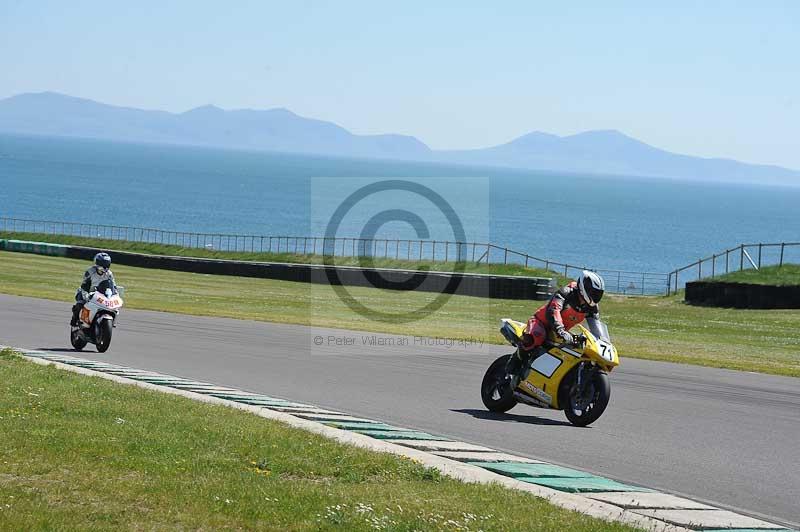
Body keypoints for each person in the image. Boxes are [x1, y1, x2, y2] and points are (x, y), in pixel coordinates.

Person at [507, 270, 605, 382]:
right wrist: (561, 330)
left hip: (561, 333)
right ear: (584, 288)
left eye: (598, 293)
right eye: (594, 292)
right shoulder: (567, 293)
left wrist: (601, 340)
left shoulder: (592, 307)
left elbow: (596, 325)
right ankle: (513, 365)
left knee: (576, 350)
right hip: (541, 323)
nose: (596, 296)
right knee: (535, 337)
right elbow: (554, 310)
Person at [71, 252, 116, 329]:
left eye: (106, 264)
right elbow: (85, 285)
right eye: (102, 263)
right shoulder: (90, 271)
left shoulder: (109, 274)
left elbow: (113, 285)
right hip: (87, 291)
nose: (104, 266)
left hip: (101, 294)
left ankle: (111, 322)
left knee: (113, 307)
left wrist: (115, 293)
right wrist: (86, 295)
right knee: (80, 304)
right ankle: (74, 320)